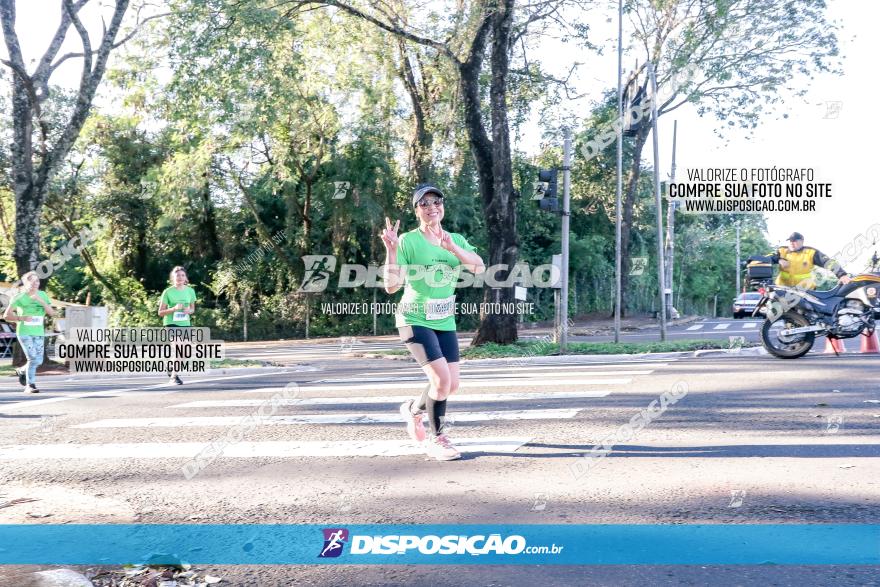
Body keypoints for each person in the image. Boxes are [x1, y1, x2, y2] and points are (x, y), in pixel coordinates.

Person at [380, 184, 485, 461]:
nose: (431, 207)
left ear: (442, 207)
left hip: (444, 320)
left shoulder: (456, 238)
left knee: (451, 385)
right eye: (424, 203)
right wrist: (391, 249)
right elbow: (392, 287)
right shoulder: (408, 241)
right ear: (417, 211)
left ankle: (414, 410)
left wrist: (453, 248)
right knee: (440, 381)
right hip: (414, 317)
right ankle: (437, 438)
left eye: (436, 202)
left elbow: (479, 267)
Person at [3, 271, 55, 393]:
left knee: (39, 360)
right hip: (24, 332)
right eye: (31, 281)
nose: (35, 284)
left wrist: (40, 300)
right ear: (26, 283)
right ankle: (30, 385)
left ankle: (22, 370)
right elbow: (6, 315)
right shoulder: (19, 297)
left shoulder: (42, 294)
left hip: (39, 332)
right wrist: (21, 318)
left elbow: (52, 313)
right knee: (32, 358)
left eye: (37, 281)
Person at [770, 232, 851, 289]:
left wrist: (842, 275)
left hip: (805, 292)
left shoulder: (811, 252)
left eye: (794, 241)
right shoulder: (782, 250)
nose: (791, 243)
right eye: (790, 241)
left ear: (802, 241)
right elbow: (768, 257)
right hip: (782, 288)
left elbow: (828, 262)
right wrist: (779, 259)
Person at [157, 266, 197, 385]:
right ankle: (174, 377)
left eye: (182, 275)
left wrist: (188, 311)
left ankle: (171, 366)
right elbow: (160, 312)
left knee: (186, 351)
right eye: (177, 275)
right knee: (180, 348)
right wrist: (173, 309)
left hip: (185, 324)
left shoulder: (190, 291)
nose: (180, 277)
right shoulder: (168, 292)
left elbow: (192, 309)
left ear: (186, 278)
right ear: (173, 278)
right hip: (171, 324)